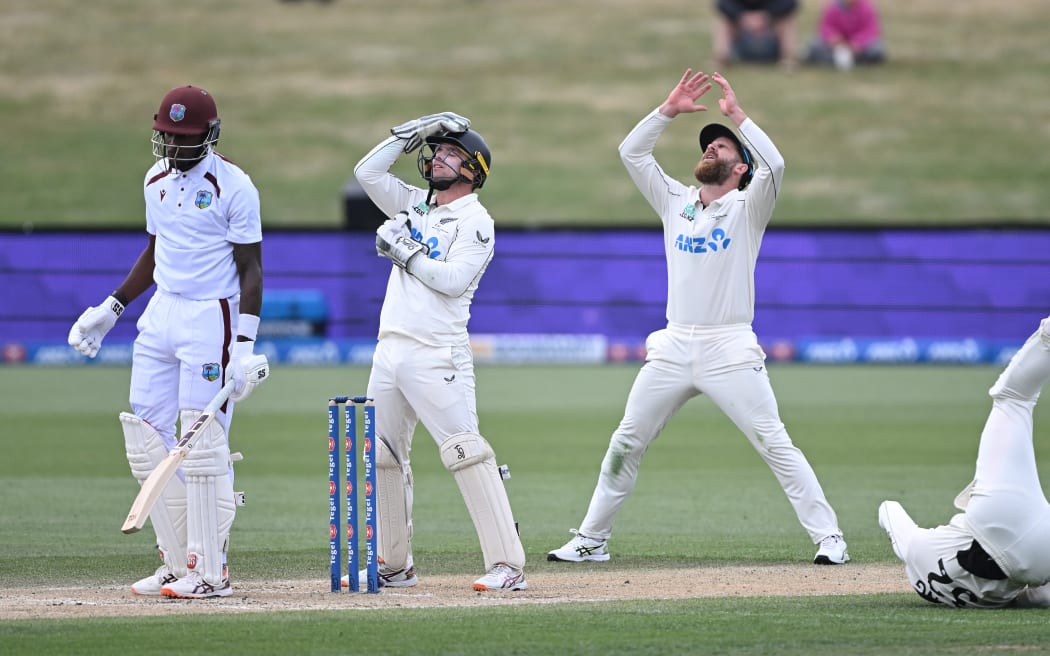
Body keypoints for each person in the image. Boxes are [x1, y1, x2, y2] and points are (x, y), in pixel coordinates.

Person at [548, 69, 849, 567]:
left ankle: (829, 537)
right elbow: (631, 153)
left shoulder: (749, 207)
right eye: (710, 144)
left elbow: (776, 163)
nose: (712, 148)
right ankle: (591, 540)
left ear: (740, 169)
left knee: (774, 443)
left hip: (729, 346)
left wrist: (738, 117)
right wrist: (665, 111)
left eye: (723, 148)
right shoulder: (676, 202)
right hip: (672, 346)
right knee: (626, 441)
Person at [67, 84, 269, 599]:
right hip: (162, 313)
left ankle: (211, 569)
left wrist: (243, 344)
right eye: (166, 136)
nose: (174, 147)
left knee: (199, 443)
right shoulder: (154, 179)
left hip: (211, 316)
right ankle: (178, 561)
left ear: (210, 135)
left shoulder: (234, 187)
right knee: (145, 435)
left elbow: (251, 269)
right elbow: (156, 252)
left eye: (184, 138)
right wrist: (111, 308)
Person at [345, 112, 527, 592]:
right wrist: (418, 128)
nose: (438, 158)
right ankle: (395, 565)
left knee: (465, 451)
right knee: (381, 457)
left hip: (438, 353)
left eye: (450, 153)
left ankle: (508, 565)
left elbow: (453, 282)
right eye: (437, 151)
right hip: (390, 350)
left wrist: (403, 253)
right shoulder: (414, 203)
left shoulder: (477, 222)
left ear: (473, 171)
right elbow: (367, 172)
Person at [879, 319, 1050, 608]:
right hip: (994, 525)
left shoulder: (994, 601)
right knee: (1012, 399)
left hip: (1036, 560)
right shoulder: (916, 551)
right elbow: (888, 509)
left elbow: (1037, 597)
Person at [713, 0, 800, 70]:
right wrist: (743, 17)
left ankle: (787, 59)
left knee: (786, 21)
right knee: (725, 22)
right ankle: (722, 58)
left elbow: (791, 3)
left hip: (771, 34)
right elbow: (722, 4)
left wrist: (765, 16)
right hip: (743, 34)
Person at [804, 0, 886, 70]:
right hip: (836, 45)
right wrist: (833, 37)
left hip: (858, 47)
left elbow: (871, 29)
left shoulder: (866, 7)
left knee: (876, 49)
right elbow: (825, 26)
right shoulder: (833, 6)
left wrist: (858, 42)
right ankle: (840, 60)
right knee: (814, 45)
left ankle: (846, 60)